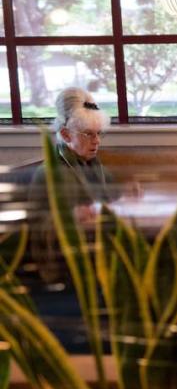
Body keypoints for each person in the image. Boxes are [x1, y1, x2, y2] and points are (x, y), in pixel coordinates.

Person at [27, 87, 115, 352]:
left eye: (99, 134)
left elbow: (112, 197)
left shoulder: (94, 164)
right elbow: (36, 227)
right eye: (88, 134)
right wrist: (70, 216)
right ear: (65, 134)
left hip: (93, 251)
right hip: (64, 268)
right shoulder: (50, 173)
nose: (96, 141)